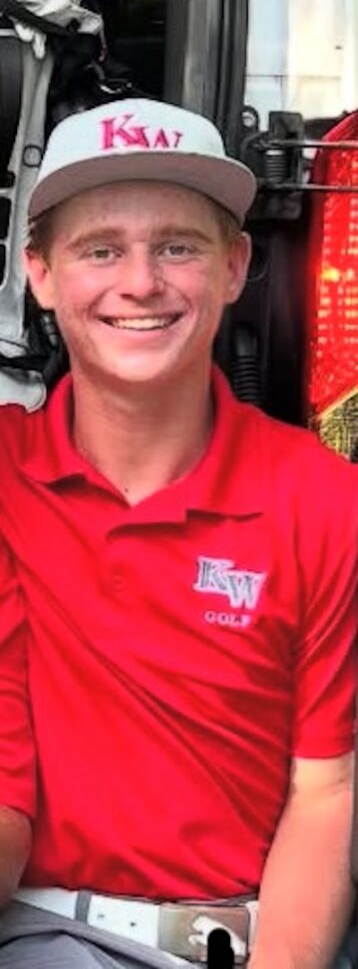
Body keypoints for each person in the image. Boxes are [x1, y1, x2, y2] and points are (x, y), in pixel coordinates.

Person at [0, 98, 356, 969]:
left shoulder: (323, 497)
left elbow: (327, 792)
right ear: (39, 273)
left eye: (177, 246)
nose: (140, 282)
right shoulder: (5, 481)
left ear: (235, 266)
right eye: (100, 249)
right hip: (38, 935)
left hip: (244, 941)